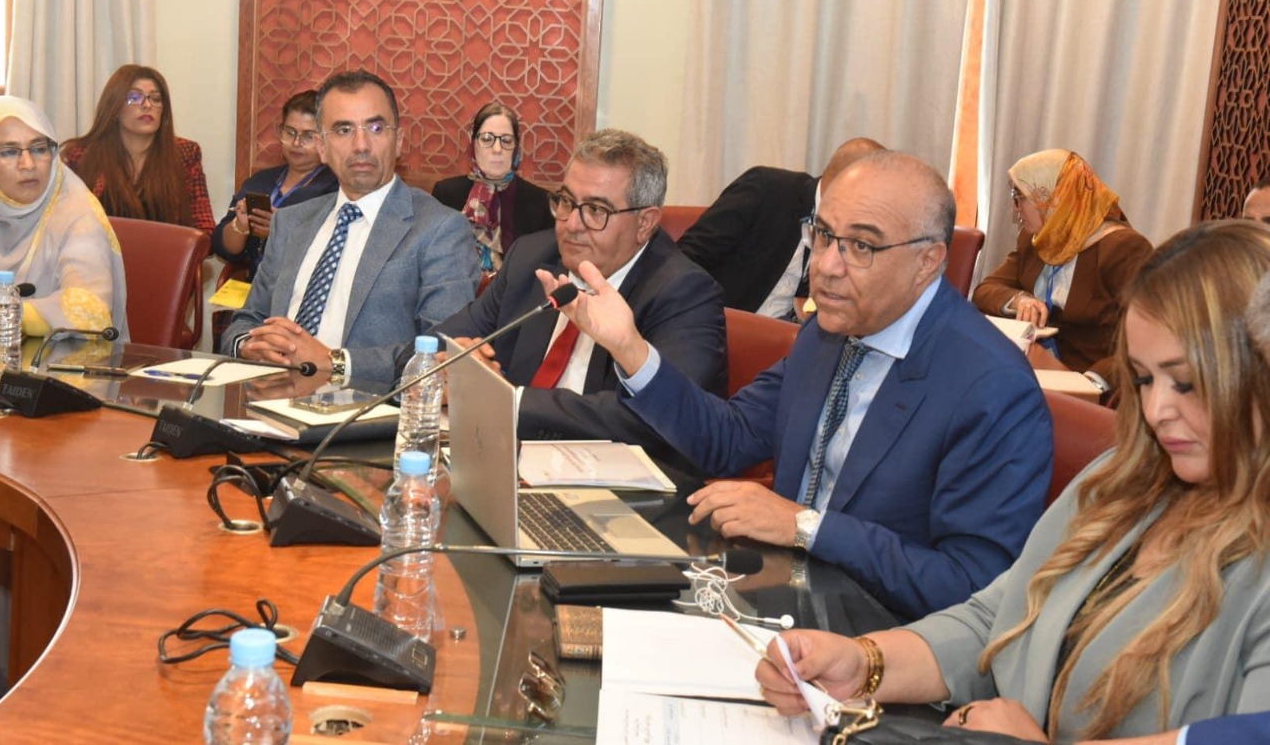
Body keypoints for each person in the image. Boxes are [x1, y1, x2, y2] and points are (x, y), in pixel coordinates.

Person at [756, 220, 1270, 742]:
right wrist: (865, 663)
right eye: (1143, 379)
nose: (1157, 410)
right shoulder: (1120, 482)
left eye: (1185, 383)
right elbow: (997, 619)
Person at [537, 150, 1051, 619]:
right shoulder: (825, 336)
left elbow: (971, 586)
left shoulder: (992, 387)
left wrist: (807, 527)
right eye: (823, 235)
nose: (825, 266)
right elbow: (728, 439)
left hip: (879, 640)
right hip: (777, 603)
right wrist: (630, 348)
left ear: (928, 261)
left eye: (861, 246)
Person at [429, 128, 726, 466]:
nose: (571, 224)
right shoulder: (532, 257)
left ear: (645, 223)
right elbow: (445, 338)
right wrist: (443, 367)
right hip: (509, 460)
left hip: (623, 482)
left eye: (596, 210)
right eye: (567, 202)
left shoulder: (684, 293)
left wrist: (506, 399)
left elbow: (652, 417)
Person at [220, 70, 479, 384]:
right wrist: (248, 346)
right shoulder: (291, 222)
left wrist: (335, 363)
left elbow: (442, 354)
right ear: (322, 147)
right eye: (344, 130)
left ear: (398, 142)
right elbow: (247, 320)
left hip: (364, 407)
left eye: (376, 128)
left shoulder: (440, 230)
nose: (361, 145)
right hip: (272, 394)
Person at [973, 149, 1152, 394]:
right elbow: (985, 291)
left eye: (1019, 197)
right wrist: (1019, 300)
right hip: (1037, 368)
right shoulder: (1036, 239)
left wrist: (1096, 381)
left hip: (1089, 382)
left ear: (1055, 198)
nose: (1015, 209)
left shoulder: (1123, 249)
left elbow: (1148, 336)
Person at [676, 137, 884, 319]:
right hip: (721, 327)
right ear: (842, 181)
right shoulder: (767, 189)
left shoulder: (856, 235)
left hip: (792, 341)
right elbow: (686, 257)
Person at [0, 95, 127, 337]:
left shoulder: (78, 214)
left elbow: (90, 309)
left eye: (39, 149)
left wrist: (8, 315)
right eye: (9, 152)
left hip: (62, 356)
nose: (28, 164)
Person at [62, 64, 215, 233]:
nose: (147, 105)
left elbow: (204, 227)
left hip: (165, 250)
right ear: (115, 107)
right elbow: (64, 224)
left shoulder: (185, 153)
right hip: (99, 249)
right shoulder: (81, 156)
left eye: (156, 99)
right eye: (135, 97)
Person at [212, 90, 338, 278]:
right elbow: (222, 247)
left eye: (308, 136)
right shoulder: (260, 181)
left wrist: (283, 231)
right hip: (255, 288)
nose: (296, 142)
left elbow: (337, 255)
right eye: (290, 132)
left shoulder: (336, 189)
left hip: (304, 290)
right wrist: (240, 227)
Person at [431, 101, 551, 272]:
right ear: (472, 143)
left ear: (516, 147)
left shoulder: (540, 202)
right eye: (487, 139)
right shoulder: (446, 195)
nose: (497, 149)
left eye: (506, 140)